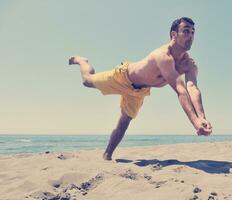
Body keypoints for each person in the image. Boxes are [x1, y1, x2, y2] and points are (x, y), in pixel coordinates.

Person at [69, 17, 212, 160]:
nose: (191, 36)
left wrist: (202, 119)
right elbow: (180, 89)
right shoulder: (163, 56)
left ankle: (107, 156)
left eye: (193, 32)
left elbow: (192, 88)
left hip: (139, 91)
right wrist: (195, 122)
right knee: (87, 81)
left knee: (124, 122)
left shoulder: (189, 64)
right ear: (174, 34)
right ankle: (82, 61)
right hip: (123, 77)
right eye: (186, 31)